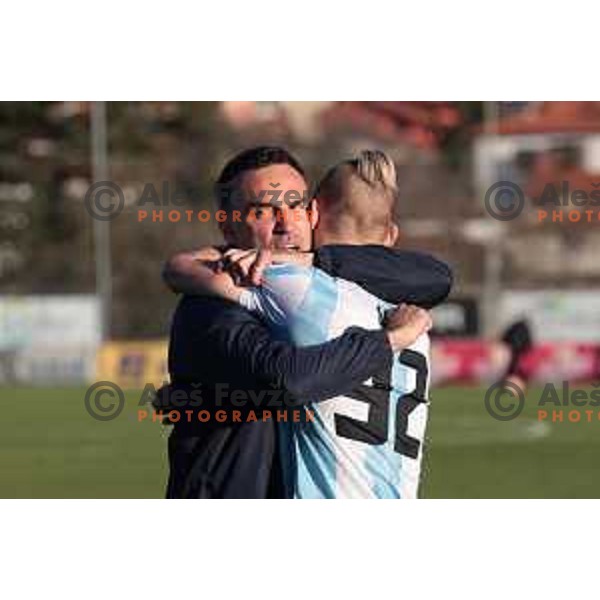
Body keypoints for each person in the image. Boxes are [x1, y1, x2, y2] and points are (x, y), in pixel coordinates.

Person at [160, 146, 451, 498]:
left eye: (295, 205)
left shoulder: (320, 289)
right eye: (263, 210)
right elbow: (289, 378)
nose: (286, 224)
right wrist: (388, 340)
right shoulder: (209, 307)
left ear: (313, 213)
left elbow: (435, 276)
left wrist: (311, 260)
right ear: (227, 224)